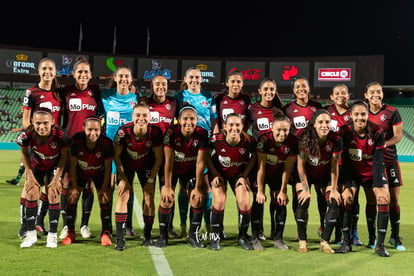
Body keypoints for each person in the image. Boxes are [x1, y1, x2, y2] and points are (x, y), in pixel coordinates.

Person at [17, 57, 62, 239]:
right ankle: (24, 224)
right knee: (30, 184)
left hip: (54, 147)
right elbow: (26, 120)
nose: (47, 72)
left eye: (50, 69)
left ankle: (37, 221)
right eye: (44, 69)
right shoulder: (32, 92)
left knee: (49, 186)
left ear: (55, 72)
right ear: (39, 70)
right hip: (37, 146)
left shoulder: (59, 93)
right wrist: (35, 138)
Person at [340, 100, 391, 257]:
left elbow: (378, 160)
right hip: (353, 173)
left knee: (382, 199)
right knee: (347, 199)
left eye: (363, 114)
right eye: (356, 114)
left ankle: (378, 244)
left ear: (367, 115)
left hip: (372, 173)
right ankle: (346, 242)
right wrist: (348, 184)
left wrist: (377, 184)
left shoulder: (377, 131)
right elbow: (344, 161)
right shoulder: (344, 131)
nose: (360, 117)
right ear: (351, 115)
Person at [58, 57, 101, 240]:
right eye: (80, 72)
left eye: (86, 72)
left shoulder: (96, 91)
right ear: (74, 74)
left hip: (90, 146)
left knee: (88, 186)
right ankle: (67, 226)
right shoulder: (65, 92)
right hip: (69, 146)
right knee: (66, 185)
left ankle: (84, 225)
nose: (83, 75)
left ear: (90, 75)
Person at [113, 103, 163, 250]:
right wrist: (123, 178)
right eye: (138, 115)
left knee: (149, 195)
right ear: (132, 117)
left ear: (150, 117)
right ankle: (120, 239)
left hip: (147, 165)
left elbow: (159, 159)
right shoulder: (123, 132)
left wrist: (151, 179)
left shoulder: (155, 132)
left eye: (144, 115)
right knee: (123, 194)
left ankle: (147, 236)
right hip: (126, 165)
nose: (141, 118)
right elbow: (116, 156)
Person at [174, 67, 217, 238]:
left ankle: (208, 225)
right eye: (191, 77)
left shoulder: (208, 97)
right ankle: (183, 225)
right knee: (183, 187)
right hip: (184, 145)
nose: (194, 80)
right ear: (185, 78)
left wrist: (214, 138)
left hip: (203, 145)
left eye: (197, 78)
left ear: (201, 80)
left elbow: (214, 120)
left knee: (205, 186)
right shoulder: (179, 97)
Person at [17, 108, 69, 248]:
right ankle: (30, 234)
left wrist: (57, 177)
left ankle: (52, 236)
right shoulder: (26, 135)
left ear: (52, 122)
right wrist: (29, 175)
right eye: (38, 123)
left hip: (53, 165)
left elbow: (64, 157)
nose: (41, 126)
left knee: (53, 193)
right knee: (32, 192)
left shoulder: (61, 135)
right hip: (36, 165)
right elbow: (24, 154)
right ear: (32, 122)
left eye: (45, 123)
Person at [364, 82, 406, 251]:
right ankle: (372, 238)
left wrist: (380, 146)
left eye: (379, 92)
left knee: (394, 200)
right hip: (374, 164)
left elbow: (397, 137)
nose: (376, 94)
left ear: (382, 94)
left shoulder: (392, 112)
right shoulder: (362, 113)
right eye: (372, 92)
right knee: (374, 200)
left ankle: (395, 237)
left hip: (390, 161)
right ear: (366, 95)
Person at [161, 104, 209, 248]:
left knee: (197, 199)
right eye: (185, 119)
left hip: (190, 170)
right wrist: (168, 186)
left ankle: (193, 237)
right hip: (173, 170)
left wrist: (198, 188)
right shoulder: (171, 133)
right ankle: (163, 236)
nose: (189, 122)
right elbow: (168, 162)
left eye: (192, 119)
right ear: (179, 121)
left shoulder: (202, 133)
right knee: (166, 198)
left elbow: (200, 163)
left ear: (197, 120)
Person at [61, 115, 113, 246]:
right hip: (80, 172)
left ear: (101, 130)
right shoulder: (76, 141)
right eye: (90, 130)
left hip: (99, 172)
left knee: (105, 197)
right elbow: (72, 165)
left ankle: (105, 233)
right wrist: (73, 185)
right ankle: (71, 233)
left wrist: (105, 188)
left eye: (96, 130)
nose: (93, 133)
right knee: (72, 196)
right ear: (83, 128)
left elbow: (108, 168)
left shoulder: (106, 143)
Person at [283, 76, 325, 239]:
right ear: (293, 91)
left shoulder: (318, 107)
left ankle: (323, 227)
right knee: (299, 195)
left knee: (321, 195)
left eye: (304, 86)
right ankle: (301, 232)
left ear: (309, 89)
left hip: (316, 158)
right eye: (297, 87)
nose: (301, 89)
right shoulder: (288, 109)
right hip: (297, 158)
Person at [100, 65, 140, 237]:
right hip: (109, 151)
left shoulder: (136, 98)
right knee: (107, 188)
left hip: (127, 152)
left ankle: (127, 225)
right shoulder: (105, 97)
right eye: (121, 76)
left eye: (127, 76)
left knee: (126, 188)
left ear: (130, 80)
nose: (124, 79)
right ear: (115, 78)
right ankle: (107, 226)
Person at [207, 113, 256, 250]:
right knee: (220, 201)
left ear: (242, 127)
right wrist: (215, 174)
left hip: (238, 174)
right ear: (225, 127)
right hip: (219, 173)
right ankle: (215, 237)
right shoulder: (216, 139)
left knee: (245, 203)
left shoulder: (248, 141)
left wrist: (244, 176)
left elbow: (255, 156)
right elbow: (206, 155)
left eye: (237, 125)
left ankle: (242, 237)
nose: (234, 128)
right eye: (231, 125)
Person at [296, 109, 343, 253]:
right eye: (320, 122)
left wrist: (334, 189)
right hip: (307, 175)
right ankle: (302, 241)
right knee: (303, 199)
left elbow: (334, 167)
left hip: (325, 175)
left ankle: (325, 241)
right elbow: (300, 166)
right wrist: (305, 188)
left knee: (334, 201)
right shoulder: (305, 139)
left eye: (327, 122)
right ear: (314, 125)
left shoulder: (336, 139)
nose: (324, 125)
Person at [214, 70, 252, 240]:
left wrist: (243, 131)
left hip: (237, 151)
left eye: (239, 82)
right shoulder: (219, 99)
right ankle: (216, 233)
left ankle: (243, 234)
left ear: (242, 84)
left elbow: (250, 118)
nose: (236, 84)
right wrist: (217, 131)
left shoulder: (246, 100)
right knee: (219, 200)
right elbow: (215, 118)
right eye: (233, 81)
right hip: (223, 146)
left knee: (244, 199)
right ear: (227, 83)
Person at [247, 78, 284, 248]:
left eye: (272, 89)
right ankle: (258, 230)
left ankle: (275, 231)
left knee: (276, 197)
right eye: (266, 89)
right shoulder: (252, 109)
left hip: (276, 162)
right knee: (258, 196)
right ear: (260, 91)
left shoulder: (280, 111)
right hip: (258, 161)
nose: (269, 92)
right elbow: (243, 129)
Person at [141, 75, 178, 239]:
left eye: (164, 84)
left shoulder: (173, 103)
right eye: (158, 84)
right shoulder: (145, 104)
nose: (161, 87)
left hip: (168, 156)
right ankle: (146, 230)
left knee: (168, 191)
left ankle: (169, 227)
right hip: (148, 155)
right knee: (148, 192)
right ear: (152, 86)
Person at [325, 83, 362, 246]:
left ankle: (353, 232)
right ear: (332, 97)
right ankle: (335, 233)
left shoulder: (354, 112)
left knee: (352, 198)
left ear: (348, 96)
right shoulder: (326, 111)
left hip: (350, 164)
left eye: (344, 93)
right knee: (331, 199)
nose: (341, 95)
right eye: (337, 93)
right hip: (331, 163)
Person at [255, 114, 297, 251]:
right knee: (258, 200)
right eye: (279, 129)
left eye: (285, 130)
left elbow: (287, 169)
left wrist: (283, 191)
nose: (282, 133)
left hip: (278, 174)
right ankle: (255, 237)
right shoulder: (264, 140)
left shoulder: (292, 142)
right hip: (262, 173)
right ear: (272, 128)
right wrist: (260, 191)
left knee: (280, 201)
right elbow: (261, 167)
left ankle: (278, 237)